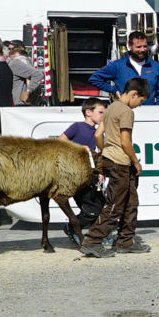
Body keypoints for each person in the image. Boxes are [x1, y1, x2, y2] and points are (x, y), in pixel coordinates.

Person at [82, 78, 148, 256]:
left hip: (111, 159)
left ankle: (125, 241)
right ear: (134, 94)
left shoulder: (111, 107)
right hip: (121, 162)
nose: (139, 105)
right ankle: (93, 240)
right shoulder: (126, 111)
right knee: (115, 204)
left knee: (130, 201)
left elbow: (97, 134)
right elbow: (125, 141)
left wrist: (106, 153)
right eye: (140, 101)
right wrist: (136, 161)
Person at [61, 97, 106, 236]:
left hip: (92, 176)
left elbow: (99, 155)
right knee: (91, 210)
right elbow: (59, 142)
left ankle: (96, 236)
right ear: (88, 112)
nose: (103, 116)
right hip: (77, 176)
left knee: (101, 206)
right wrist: (78, 148)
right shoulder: (77, 126)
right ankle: (73, 227)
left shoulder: (98, 133)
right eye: (101, 112)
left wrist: (100, 172)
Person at [90, 31, 159, 104]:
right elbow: (94, 79)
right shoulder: (118, 65)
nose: (142, 49)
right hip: (125, 112)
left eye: (145, 46)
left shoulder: (155, 66)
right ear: (130, 46)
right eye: (138, 47)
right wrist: (114, 90)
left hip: (149, 113)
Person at [4, 40, 43, 105]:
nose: (9, 51)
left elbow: (37, 75)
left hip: (22, 102)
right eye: (8, 49)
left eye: (12, 49)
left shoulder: (21, 60)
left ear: (19, 50)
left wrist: (28, 92)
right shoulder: (16, 61)